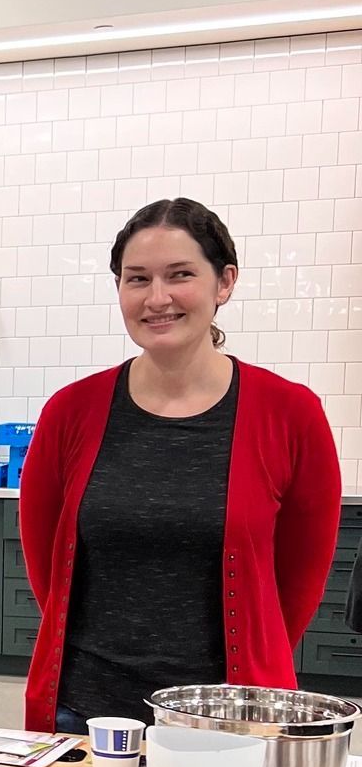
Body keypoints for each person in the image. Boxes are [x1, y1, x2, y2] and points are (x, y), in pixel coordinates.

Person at [19, 197, 340, 732]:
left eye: (181, 275)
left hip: (229, 721)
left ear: (224, 283)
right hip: (83, 714)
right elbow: (45, 566)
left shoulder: (291, 413)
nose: (157, 298)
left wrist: (253, 666)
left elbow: (299, 583)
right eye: (137, 278)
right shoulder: (70, 412)